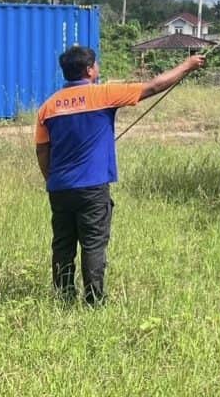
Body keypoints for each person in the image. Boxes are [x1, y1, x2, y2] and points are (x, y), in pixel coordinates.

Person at [34, 46, 205, 304]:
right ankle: (93, 302)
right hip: (92, 188)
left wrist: (52, 179)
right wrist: (188, 65)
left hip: (59, 188)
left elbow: (41, 150)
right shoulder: (104, 94)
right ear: (89, 70)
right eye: (96, 65)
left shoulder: (48, 107)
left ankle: (63, 299)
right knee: (93, 244)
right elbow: (154, 86)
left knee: (62, 245)